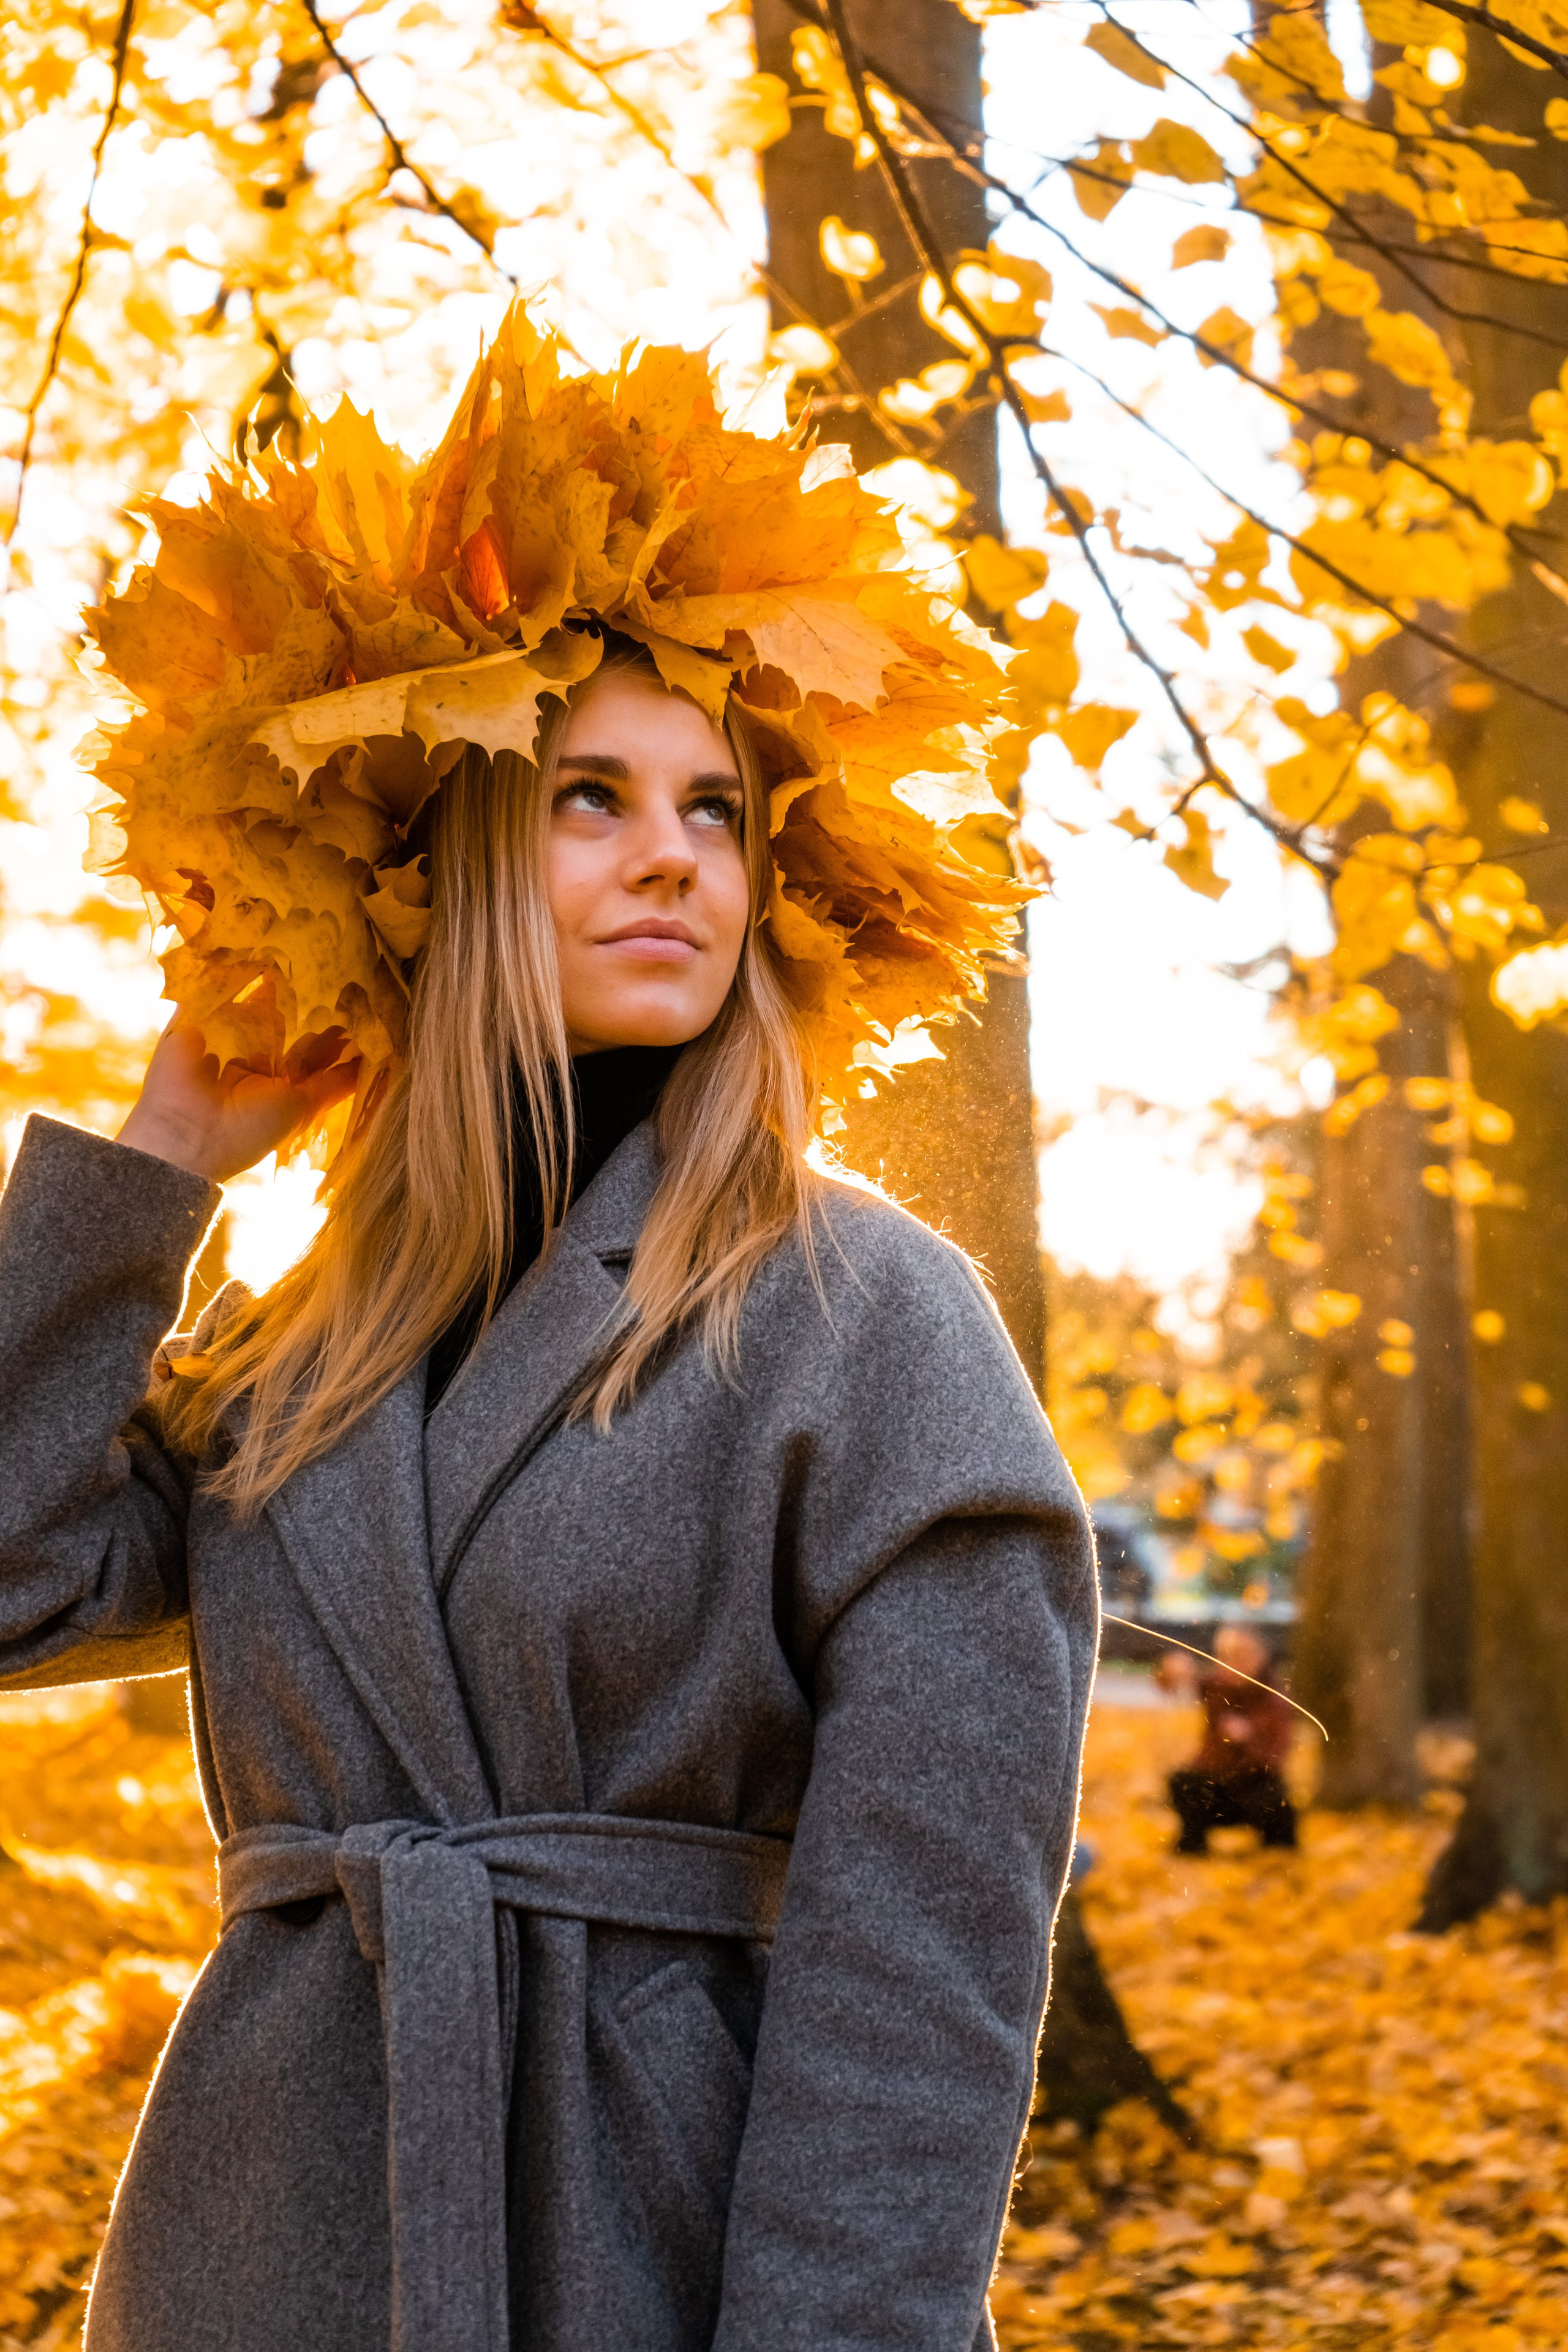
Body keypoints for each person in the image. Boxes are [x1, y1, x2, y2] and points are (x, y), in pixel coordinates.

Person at [0, 315, 1097, 2352]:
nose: (674, 851)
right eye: (589, 794)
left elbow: (924, 1982)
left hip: (639, 2258)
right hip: (250, 2258)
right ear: (453, 855)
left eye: (720, 809)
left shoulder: (869, 1324)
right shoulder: (301, 1340)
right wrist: (157, 1159)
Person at [1166, 1626, 1298, 1855]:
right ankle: (1192, 1844)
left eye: (1242, 1655)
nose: (1234, 1663)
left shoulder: (1275, 1698)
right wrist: (1173, 1671)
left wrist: (1248, 1738)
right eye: (1226, 1655)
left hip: (1256, 1786)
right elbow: (1176, 1684)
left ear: (1261, 1657)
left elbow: (1277, 1757)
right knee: (1184, 1783)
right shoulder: (1216, 1686)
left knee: (1277, 1800)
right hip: (1216, 1786)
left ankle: (1278, 1851)